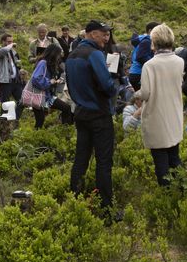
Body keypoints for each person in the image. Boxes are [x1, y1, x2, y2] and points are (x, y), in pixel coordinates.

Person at [66, 20, 117, 213]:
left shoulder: (71, 55)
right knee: (104, 161)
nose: (107, 38)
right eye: (104, 34)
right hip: (99, 114)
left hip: (80, 113)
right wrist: (113, 86)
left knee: (81, 158)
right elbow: (107, 86)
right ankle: (106, 208)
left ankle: (75, 198)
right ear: (92, 34)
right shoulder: (95, 54)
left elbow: (70, 87)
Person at [135, 24, 184, 186]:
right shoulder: (179, 61)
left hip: (157, 116)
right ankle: (183, 187)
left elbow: (146, 93)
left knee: (160, 160)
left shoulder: (149, 65)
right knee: (174, 156)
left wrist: (135, 95)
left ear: (154, 42)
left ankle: (167, 195)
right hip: (174, 114)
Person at [29, 44, 73, 129]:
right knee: (40, 120)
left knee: (66, 108)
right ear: (53, 54)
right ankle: (35, 138)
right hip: (39, 96)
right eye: (58, 54)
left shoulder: (50, 64)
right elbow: (35, 78)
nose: (59, 56)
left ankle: (65, 131)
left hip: (47, 96)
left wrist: (56, 81)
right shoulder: (43, 62)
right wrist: (50, 81)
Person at [0, 33, 25, 119]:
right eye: (9, 42)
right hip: (5, 81)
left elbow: (17, 65)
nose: (11, 43)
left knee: (22, 101)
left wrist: (21, 71)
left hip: (15, 81)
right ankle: (3, 123)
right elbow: (4, 51)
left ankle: (15, 119)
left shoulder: (14, 52)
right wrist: (11, 45)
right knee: (5, 104)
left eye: (12, 41)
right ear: (3, 42)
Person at [128, 22, 160, 91]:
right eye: (158, 31)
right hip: (139, 74)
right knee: (145, 98)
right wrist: (155, 64)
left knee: (142, 98)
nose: (160, 33)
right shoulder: (147, 41)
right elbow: (141, 57)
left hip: (135, 73)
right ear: (150, 31)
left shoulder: (142, 39)